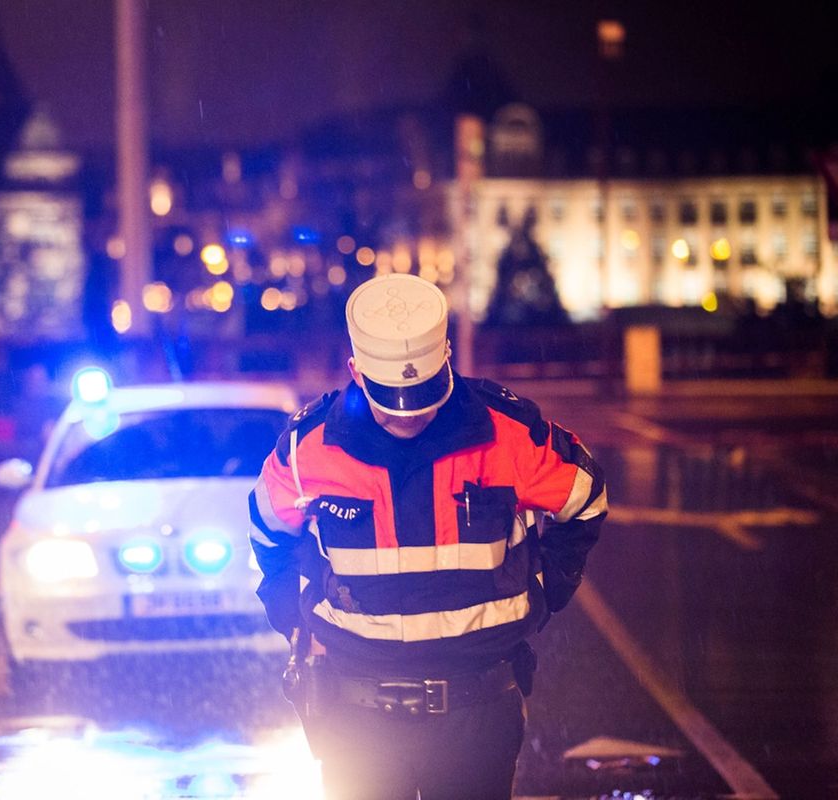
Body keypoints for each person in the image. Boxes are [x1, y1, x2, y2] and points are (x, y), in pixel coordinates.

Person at [248, 273, 607, 800]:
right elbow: (267, 530)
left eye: (422, 396)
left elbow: (586, 498)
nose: (409, 416)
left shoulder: (506, 433)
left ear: (445, 358)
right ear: (356, 370)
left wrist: (546, 588)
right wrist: (295, 622)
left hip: (477, 714)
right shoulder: (311, 449)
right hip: (356, 722)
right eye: (392, 399)